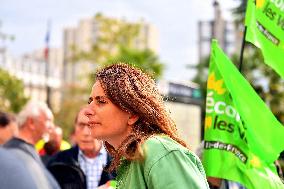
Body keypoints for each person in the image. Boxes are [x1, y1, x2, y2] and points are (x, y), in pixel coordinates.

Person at [84, 63, 210, 189]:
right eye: (90, 101)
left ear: (132, 114)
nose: (87, 111)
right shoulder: (132, 159)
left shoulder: (159, 151)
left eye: (101, 101)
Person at [47, 107, 115, 189]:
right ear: (75, 127)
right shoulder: (57, 162)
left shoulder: (122, 164)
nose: (85, 132)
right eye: (81, 125)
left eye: (91, 125)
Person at [4, 101, 60, 189]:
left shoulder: (19, 152)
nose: (51, 127)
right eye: (48, 121)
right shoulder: (17, 155)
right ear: (31, 123)